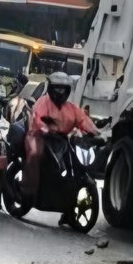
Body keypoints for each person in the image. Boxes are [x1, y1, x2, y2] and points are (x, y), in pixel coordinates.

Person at [24, 71, 95, 222]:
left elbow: (83, 120)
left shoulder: (71, 108)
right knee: (35, 154)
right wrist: (44, 129)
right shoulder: (43, 102)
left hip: (61, 140)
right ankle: (27, 191)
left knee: (72, 164)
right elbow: (37, 119)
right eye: (57, 88)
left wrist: (96, 133)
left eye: (64, 89)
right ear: (50, 88)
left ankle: (67, 207)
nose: (60, 92)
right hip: (38, 136)